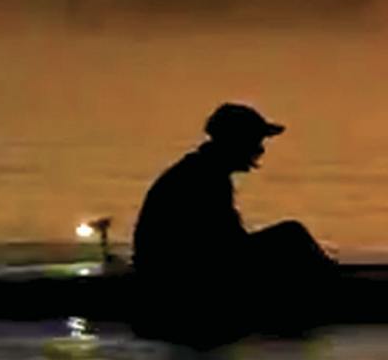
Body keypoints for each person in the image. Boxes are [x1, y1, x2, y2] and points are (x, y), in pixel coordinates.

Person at [128, 102, 337, 328]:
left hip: (175, 267)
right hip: (179, 277)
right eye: (255, 141)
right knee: (291, 234)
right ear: (236, 141)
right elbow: (225, 247)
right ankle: (334, 288)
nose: (260, 150)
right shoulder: (204, 179)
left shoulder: (203, 171)